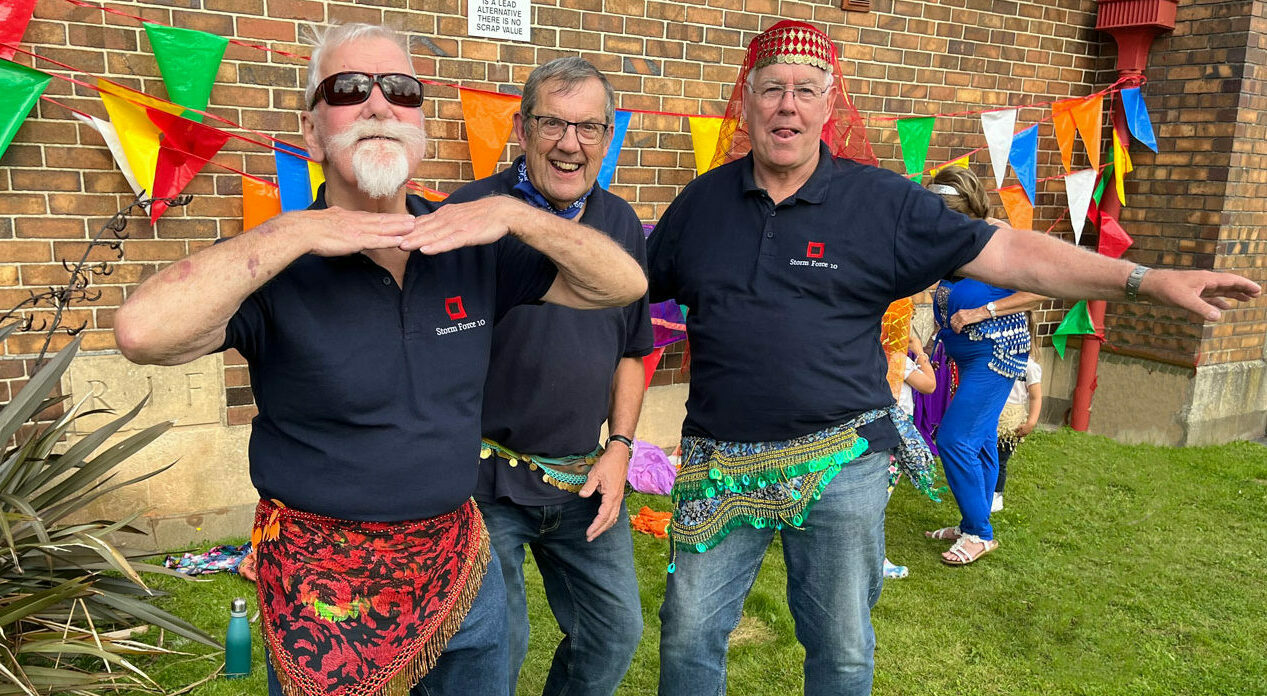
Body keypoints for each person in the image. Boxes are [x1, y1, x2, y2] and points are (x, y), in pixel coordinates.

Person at [647, 19, 1260, 696]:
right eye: (771, 89)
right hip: (719, 464)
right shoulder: (701, 204)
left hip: (838, 468)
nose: (786, 104)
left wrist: (1144, 279)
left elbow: (1011, 252)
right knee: (688, 635)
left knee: (842, 648)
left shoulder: (877, 202)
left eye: (804, 89)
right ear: (748, 100)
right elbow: (624, 288)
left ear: (828, 104)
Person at [111, 23, 646, 696]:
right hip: (320, 593)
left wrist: (521, 218)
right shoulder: (274, 259)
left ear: (418, 123)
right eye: (347, 88)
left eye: (399, 89)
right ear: (311, 132)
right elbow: (140, 333)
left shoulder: (463, 237)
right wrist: (300, 230)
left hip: (458, 571)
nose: (376, 104)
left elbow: (621, 287)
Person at [444, 57, 650, 696]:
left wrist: (619, 448)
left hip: (580, 476)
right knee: (494, 649)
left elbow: (634, 351)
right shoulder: (470, 214)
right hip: (484, 480)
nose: (570, 143)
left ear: (608, 135)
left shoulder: (619, 224)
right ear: (522, 127)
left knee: (613, 631)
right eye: (553, 123)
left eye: (589, 127)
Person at [922, 166, 1047, 566]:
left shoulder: (996, 239)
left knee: (955, 439)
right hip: (967, 355)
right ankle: (971, 520)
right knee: (979, 440)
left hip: (995, 355)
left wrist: (982, 311)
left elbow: (1039, 290)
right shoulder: (952, 242)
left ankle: (979, 534)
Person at [884, 330, 936, 579]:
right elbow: (930, 385)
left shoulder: (870, 353)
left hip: (870, 431)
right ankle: (875, 558)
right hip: (895, 434)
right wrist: (921, 354)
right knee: (879, 496)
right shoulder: (899, 360)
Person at [993, 321, 1043, 513]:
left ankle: (996, 495)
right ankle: (982, 490)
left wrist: (1031, 422)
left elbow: (1036, 396)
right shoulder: (998, 360)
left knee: (1001, 459)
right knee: (984, 456)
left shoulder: (1030, 367)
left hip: (1010, 422)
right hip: (993, 414)